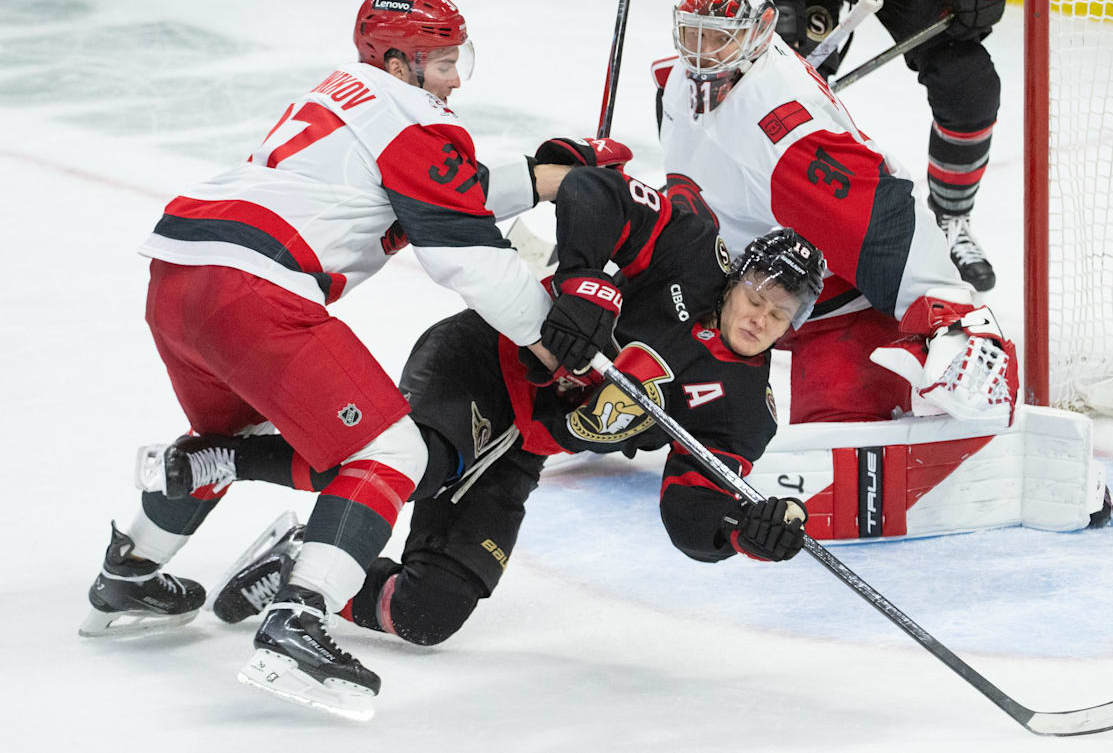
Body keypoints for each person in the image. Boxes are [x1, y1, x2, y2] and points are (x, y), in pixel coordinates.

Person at [78, 0, 624, 717]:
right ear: (399, 63)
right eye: (442, 64)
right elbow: (463, 253)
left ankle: (129, 575)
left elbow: (444, 187)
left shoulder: (349, 96)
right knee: (393, 453)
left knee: (232, 438)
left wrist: (544, 177)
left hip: (179, 278)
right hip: (254, 291)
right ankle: (297, 623)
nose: (454, 81)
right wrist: (557, 343)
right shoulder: (414, 119)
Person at [128, 167, 825, 717]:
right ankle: (226, 459)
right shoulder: (690, 252)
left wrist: (740, 531)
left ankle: (292, 562)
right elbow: (592, 189)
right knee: (422, 465)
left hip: (524, 447)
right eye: (757, 295)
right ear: (737, 275)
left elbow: (689, 512)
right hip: (483, 361)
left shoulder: (745, 411)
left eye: (781, 312)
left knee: (426, 616)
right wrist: (586, 282)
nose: (761, 317)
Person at [654, 0, 1016, 427]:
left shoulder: (787, 135)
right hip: (724, 288)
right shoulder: (679, 79)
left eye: (718, 37)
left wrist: (953, 320)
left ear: (760, 31)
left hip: (835, 309)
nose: (701, 53)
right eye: (693, 34)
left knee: (839, 444)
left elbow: (885, 219)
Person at [748, 0, 1022, 292]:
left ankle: (952, 221)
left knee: (967, 83)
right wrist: (783, 47)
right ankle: (760, 210)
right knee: (777, 82)